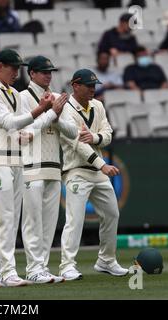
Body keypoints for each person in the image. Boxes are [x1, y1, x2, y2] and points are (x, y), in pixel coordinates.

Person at [0, 48, 64, 287]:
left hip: (16, 160)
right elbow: (8, 122)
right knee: (6, 217)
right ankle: (7, 272)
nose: (16, 73)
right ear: (0, 66)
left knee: (10, 218)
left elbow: (21, 131)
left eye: (18, 68)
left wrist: (45, 116)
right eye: (13, 68)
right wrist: (41, 110)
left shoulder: (13, 92)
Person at [58, 69, 129, 280]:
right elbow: (78, 144)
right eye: (88, 86)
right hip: (76, 171)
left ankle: (106, 260)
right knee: (75, 219)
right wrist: (102, 165)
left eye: (94, 86)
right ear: (75, 85)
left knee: (111, 214)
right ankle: (66, 266)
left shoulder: (98, 106)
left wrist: (95, 137)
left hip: (97, 173)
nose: (92, 89)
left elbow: (108, 134)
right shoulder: (66, 110)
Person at [19, 56, 77, 284]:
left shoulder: (55, 98)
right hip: (31, 165)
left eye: (50, 72)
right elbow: (24, 130)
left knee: (49, 223)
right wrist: (51, 113)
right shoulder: (22, 98)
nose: (48, 75)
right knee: (33, 220)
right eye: (44, 72)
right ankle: (33, 268)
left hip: (54, 166)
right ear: (31, 73)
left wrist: (57, 118)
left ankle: (41, 267)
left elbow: (72, 131)